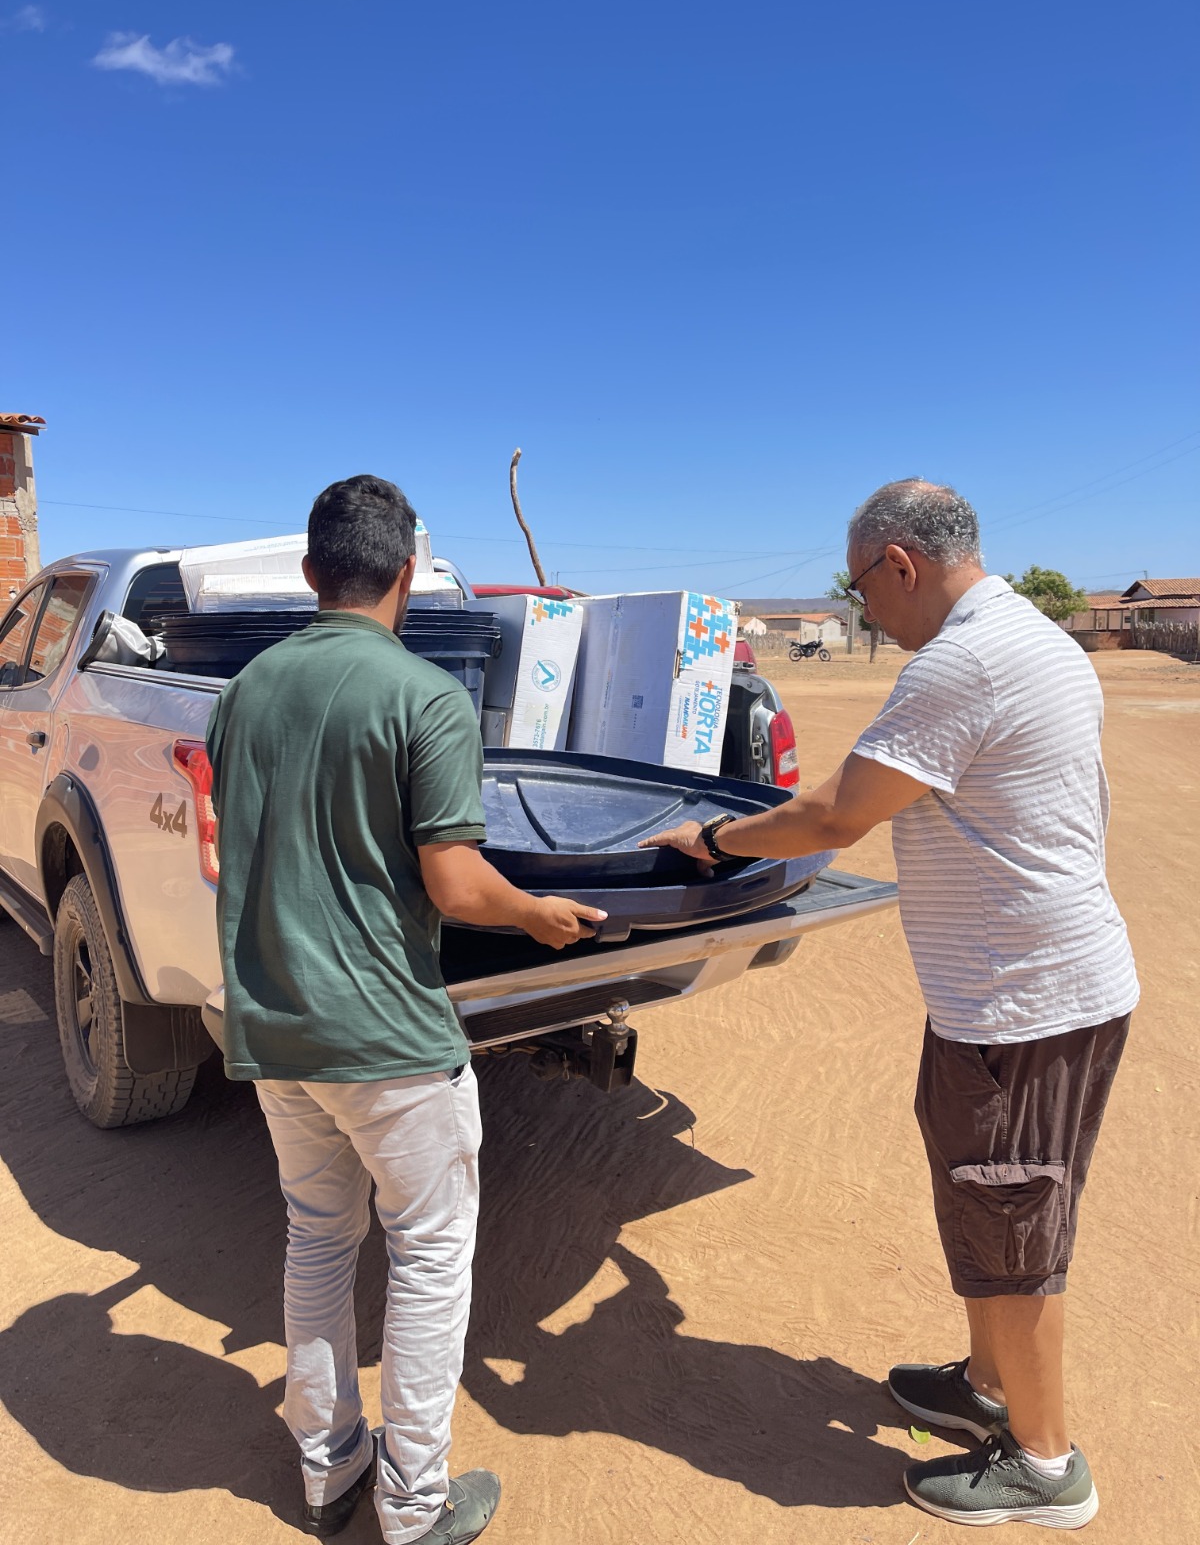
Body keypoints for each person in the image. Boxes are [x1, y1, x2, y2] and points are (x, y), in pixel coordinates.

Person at [642, 479, 1137, 1530]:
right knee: (988, 1200)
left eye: (863, 587)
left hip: (1024, 1006)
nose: (865, 610)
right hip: (1012, 996)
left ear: (901, 563)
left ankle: (1046, 1468)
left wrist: (712, 840)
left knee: (1015, 1220)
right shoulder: (1031, 635)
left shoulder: (963, 660)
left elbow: (837, 814)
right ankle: (989, 1386)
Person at [207, 475, 604, 1543]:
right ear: (409, 575)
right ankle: (415, 1508)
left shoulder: (241, 693)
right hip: (387, 1038)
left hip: (274, 1030)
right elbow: (458, 886)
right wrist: (539, 915)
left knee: (319, 1239)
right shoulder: (424, 695)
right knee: (429, 1258)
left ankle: (330, 1468)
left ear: (309, 574)